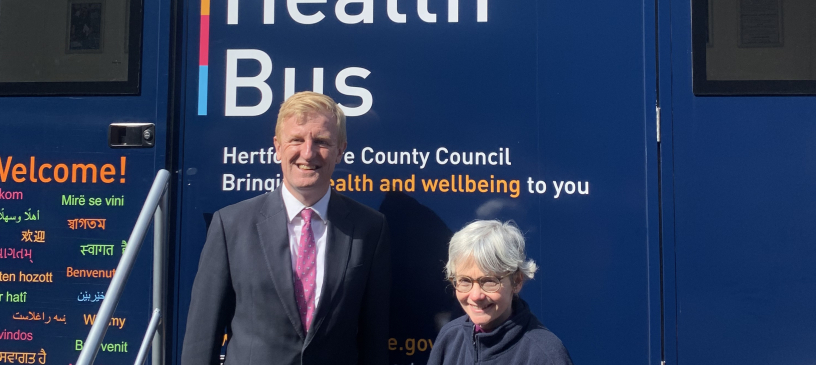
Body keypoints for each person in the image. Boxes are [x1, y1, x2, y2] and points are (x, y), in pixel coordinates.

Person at [181, 92, 390, 365]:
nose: (308, 152)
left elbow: (374, 339)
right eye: (297, 140)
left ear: (340, 150)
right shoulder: (230, 225)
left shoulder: (369, 229)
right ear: (277, 147)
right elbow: (202, 338)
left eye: (322, 142)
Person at [427, 220, 573, 365]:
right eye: (465, 281)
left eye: (489, 281)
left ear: (516, 281)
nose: (476, 296)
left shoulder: (545, 355)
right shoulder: (450, 337)